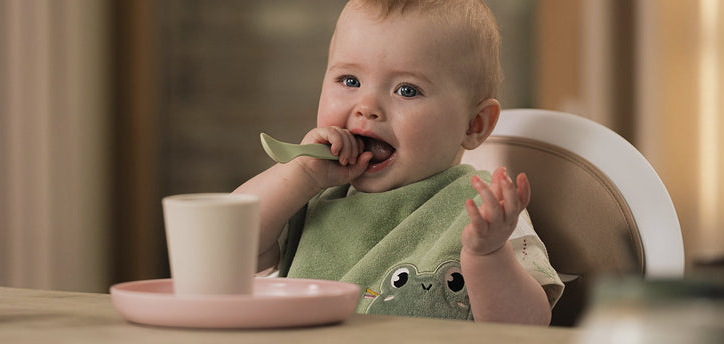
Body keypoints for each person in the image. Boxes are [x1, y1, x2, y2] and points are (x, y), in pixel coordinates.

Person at [233, 0, 563, 325]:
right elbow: (224, 243)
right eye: (350, 81)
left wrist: (489, 256)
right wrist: (301, 173)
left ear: (473, 124)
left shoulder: (485, 212)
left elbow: (527, 326)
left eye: (406, 90)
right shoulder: (311, 199)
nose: (367, 106)